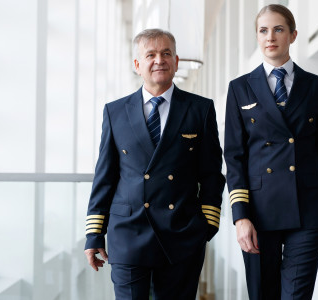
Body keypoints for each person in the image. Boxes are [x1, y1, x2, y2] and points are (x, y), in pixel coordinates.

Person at [84, 28, 225, 299]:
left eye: (166, 53)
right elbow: (105, 177)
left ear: (176, 61)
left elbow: (211, 174)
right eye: (150, 54)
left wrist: (206, 226)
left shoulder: (200, 109)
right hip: (128, 234)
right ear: (137, 65)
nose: (159, 60)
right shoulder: (115, 112)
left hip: (181, 234)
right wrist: (94, 234)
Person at [224, 4, 318, 300]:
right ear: (257, 37)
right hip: (259, 211)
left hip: (309, 210)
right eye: (263, 30)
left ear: (293, 35)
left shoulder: (317, 86)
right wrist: (240, 216)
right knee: (263, 294)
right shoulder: (239, 88)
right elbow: (234, 158)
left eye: (278, 29)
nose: (270, 36)